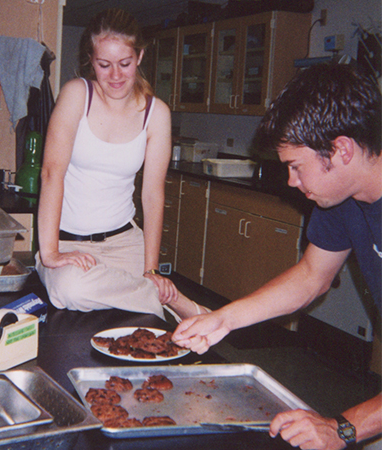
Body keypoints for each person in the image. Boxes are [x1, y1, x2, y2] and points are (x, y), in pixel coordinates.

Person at [172, 63, 382, 450]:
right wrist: (224, 319)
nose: (291, 181)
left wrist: (344, 428)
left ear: (341, 150)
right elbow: (310, 277)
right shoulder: (342, 199)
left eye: (296, 166)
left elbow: (345, 430)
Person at [35, 9, 206, 321]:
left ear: (139, 56)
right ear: (91, 60)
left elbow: (153, 194)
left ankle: (155, 294)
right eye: (104, 65)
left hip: (126, 243)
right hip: (67, 243)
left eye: (124, 64)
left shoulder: (157, 113)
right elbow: (51, 173)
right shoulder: (76, 95)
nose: (115, 75)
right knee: (70, 290)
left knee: (142, 327)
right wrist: (50, 253)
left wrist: (150, 268)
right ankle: (170, 300)